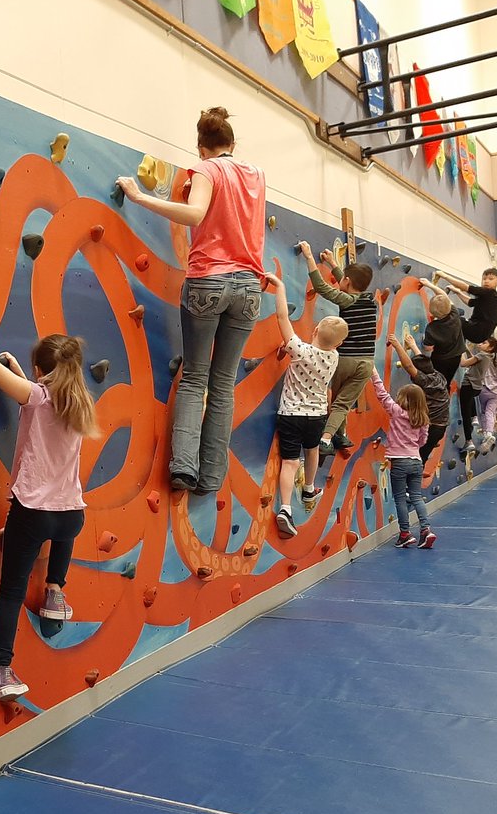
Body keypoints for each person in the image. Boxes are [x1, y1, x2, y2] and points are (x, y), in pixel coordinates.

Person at [0, 299, 97, 703]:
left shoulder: (38, 397)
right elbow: (35, 406)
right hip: (69, 517)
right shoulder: (79, 402)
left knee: (11, 590)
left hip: (32, 514)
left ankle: (2, 669)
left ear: (39, 372)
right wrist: (22, 374)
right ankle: (55, 592)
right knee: (59, 534)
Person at [117, 107, 266, 494]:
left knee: (195, 377)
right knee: (223, 384)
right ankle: (212, 477)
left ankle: (184, 468)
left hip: (209, 280)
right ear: (233, 144)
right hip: (249, 287)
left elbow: (197, 213)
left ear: (201, 149)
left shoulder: (206, 170)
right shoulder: (256, 175)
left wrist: (138, 196)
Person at [265, 274, 348, 538]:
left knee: (290, 463)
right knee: (311, 451)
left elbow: (282, 320)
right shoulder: (334, 357)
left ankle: (285, 509)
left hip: (290, 414)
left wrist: (280, 286)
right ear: (339, 344)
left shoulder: (299, 350)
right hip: (315, 416)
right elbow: (324, 344)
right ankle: (310, 487)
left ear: (313, 332)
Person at [297, 243, 376, 455]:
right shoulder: (371, 301)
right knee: (344, 402)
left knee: (336, 401)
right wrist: (333, 263)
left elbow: (324, 288)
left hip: (346, 359)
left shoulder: (347, 301)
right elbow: (348, 285)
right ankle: (339, 435)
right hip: (366, 363)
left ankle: (325, 439)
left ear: (347, 281)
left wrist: (309, 258)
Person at [370, 369, 435, 549]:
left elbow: (382, 394)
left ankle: (405, 534)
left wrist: (374, 373)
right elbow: (423, 441)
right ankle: (426, 529)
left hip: (398, 462)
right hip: (416, 461)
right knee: (416, 497)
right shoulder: (423, 419)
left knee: (400, 498)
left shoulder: (397, 412)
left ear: (404, 398)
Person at [388, 332, 449, 468]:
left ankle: (411, 486)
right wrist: (414, 346)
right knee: (421, 457)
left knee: (417, 459)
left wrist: (397, 345)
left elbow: (409, 366)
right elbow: (424, 363)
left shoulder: (425, 381)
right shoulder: (438, 376)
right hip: (440, 425)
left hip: (433, 427)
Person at [423, 267, 497, 344]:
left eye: (491, 279)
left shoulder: (490, 293)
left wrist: (444, 276)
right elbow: (470, 302)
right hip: (479, 334)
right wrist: (458, 292)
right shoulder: (490, 297)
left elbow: (465, 287)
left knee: (453, 316)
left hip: (477, 330)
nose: (486, 281)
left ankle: (430, 338)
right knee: (457, 328)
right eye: (484, 279)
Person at [421, 292, 465, 388]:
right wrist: (429, 285)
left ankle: (439, 396)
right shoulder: (455, 313)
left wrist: (424, 339)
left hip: (440, 360)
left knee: (437, 381)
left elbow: (428, 348)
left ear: (432, 312)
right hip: (456, 357)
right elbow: (443, 294)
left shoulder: (432, 327)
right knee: (446, 382)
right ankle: (445, 395)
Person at [459, 343, 486, 453]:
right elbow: (473, 360)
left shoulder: (482, 355)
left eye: (485, 343)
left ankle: (468, 440)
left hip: (468, 386)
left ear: (491, 347)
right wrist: (466, 349)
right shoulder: (487, 356)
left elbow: (463, 363)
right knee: (470, 400)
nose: (480, 344)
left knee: (465, 413)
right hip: (477, 387)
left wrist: (460, 349)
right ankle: (474, 416)